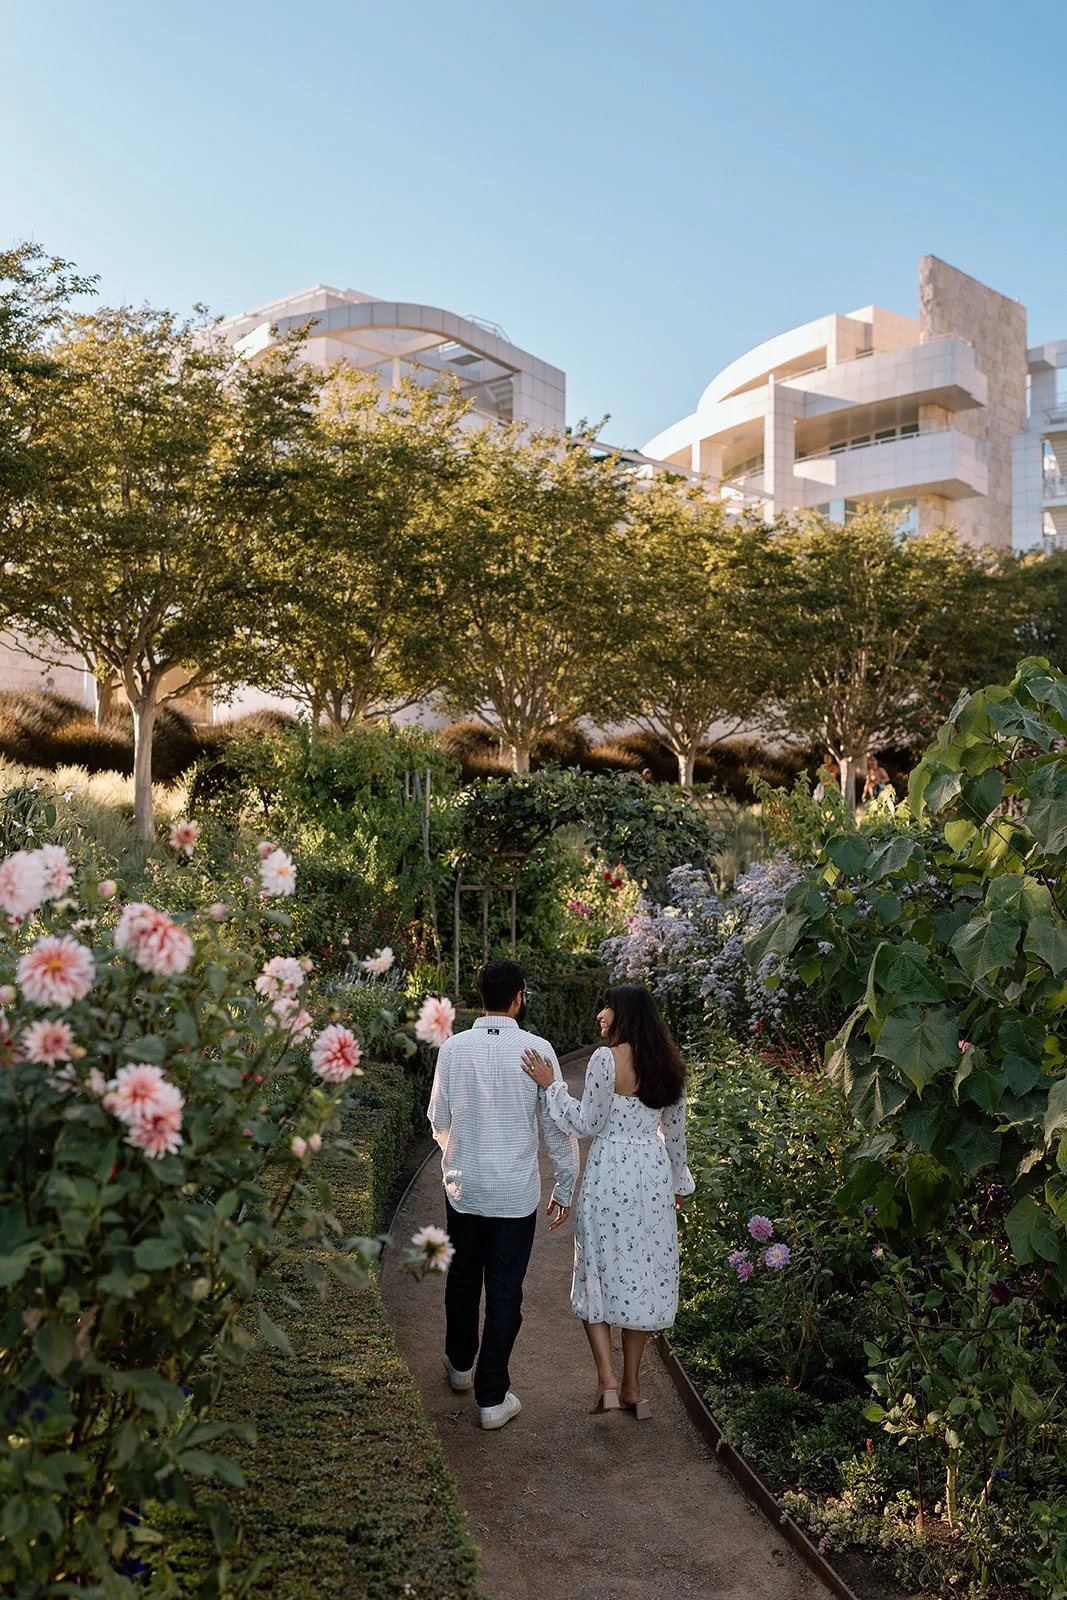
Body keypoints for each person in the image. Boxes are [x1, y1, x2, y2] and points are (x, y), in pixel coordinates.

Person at [521, 984, 694, 1418]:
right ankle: (634, 1387)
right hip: (652, 1177)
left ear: (624, 1015)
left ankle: (608, 1380)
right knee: (641, 1274)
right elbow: (676, 1138)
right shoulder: (670, 1067)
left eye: (607, 1008)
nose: (601, 1014)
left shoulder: (605, 1059)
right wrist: (676, 1186)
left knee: (596, 1268)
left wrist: (551, 1088)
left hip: (611, 1171)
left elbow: (585, 1123)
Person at [428, 959, 578, 1432]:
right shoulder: (537, 1050)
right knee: (505, 1289)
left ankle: (457, 1365)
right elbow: (556, 1128)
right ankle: (491, 1398)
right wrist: (566, 1184)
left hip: (465, 1188)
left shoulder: (453, 1049)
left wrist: (460, 1155)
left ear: (482, 997)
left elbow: (438, 1119)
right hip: (514, 1194)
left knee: (463, 1276)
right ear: (519, 998)